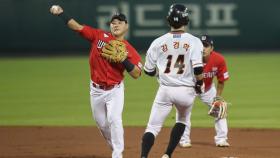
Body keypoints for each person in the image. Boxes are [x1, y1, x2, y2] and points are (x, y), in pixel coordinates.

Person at [50, 5, 142, 158]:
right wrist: (61, 13)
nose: (116, 24)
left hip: (115, 90)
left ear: (126, 26)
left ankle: (118, 154)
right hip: (96, 90)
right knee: (102, 125)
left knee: (114, 119)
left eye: (120, 22)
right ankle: (114, 147)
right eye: (113, 22)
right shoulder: (99, 36)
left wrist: (124, 59)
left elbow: (137, 74)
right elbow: (77, 27)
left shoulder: (129, 49)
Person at [141, 4, 204, 158]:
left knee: (152, 128)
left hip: (165, 90)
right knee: (182, 120)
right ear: (186, 20)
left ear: (168, 20)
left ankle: (143, 157)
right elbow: (198, 70)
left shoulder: (157, 42)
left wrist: (159, 73)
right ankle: (167, 154)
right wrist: (199, 83)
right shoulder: (195, 41)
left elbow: (148, 71)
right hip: (186, 92)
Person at [178, 35, 230, 148]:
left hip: (207, 89)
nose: (203, 48)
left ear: (212, 48)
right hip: (188, 88)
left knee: (219, 108)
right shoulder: (186, 58)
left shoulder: (219, 60)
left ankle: (221, 139)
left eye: (206, 46)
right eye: (200, 46)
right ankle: (184, 139)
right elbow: (177, 75)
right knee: (183, 112)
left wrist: (218, 97)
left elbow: (221, 80)